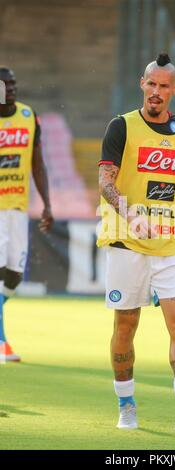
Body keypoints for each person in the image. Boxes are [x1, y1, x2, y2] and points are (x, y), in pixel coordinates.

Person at [97, 53, 175, 434]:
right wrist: (129, 212)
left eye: (164, 86)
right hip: (126, 244)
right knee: (126, 326)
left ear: (174, 90)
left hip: (170, 246)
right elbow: (105, 183)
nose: (156, 91)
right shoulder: (122, 127)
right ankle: (126, 403)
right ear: (142, 84)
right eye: (151, 84)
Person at [0, 67, 53, 363]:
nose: (10, 88)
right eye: (5, 84)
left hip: (18, 208)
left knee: (14, 277)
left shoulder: (28, 116)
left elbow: (37, 163)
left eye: (13, 84)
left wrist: (47, 204)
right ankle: (2, 342)